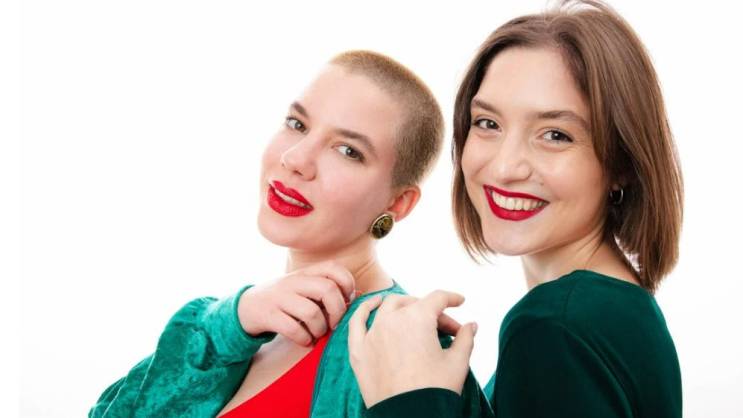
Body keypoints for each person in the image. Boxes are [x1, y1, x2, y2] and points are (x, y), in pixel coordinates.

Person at [89, 50, 489, 418]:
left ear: (398, 203)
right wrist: (230, 324)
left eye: (348, 150)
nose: (295, 159)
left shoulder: (406, 350)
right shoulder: (242, 328)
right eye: (297, 124)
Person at [348, 1, 684, 417]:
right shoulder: (620, 307)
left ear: (622, 164)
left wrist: (408, 399)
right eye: (488, 123)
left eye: (555, 135)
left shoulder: (554, 327)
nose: (505, 168)